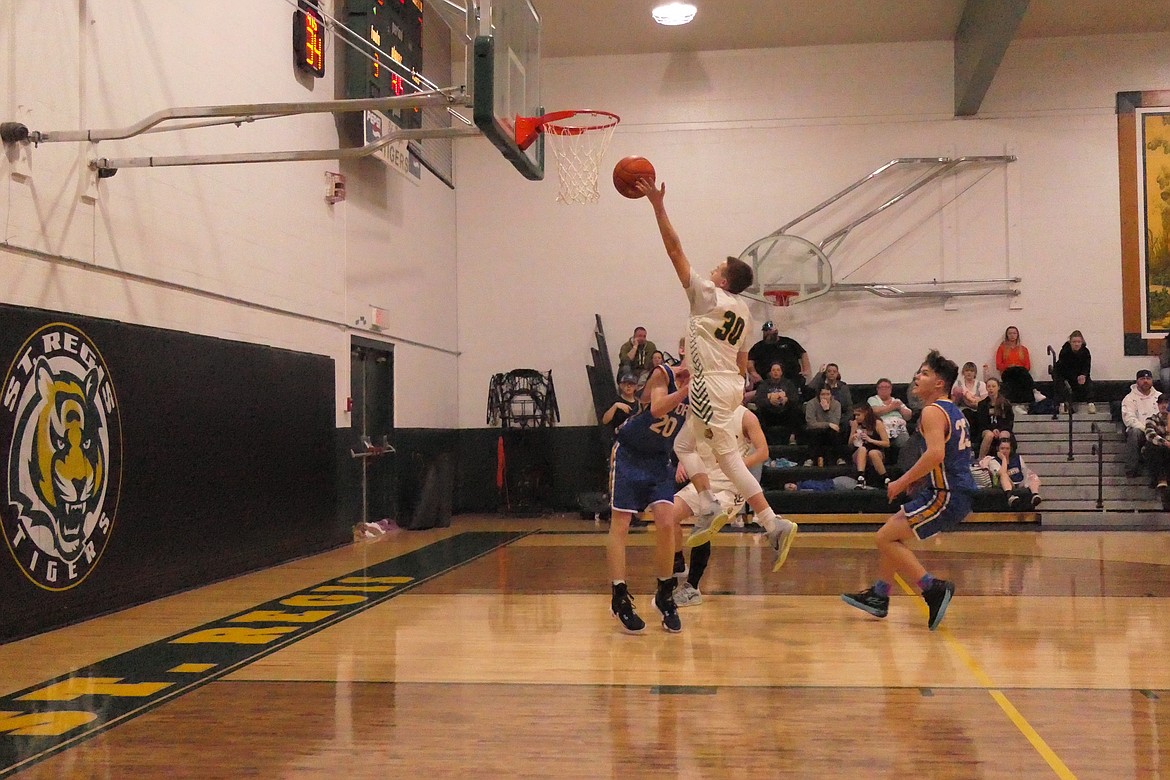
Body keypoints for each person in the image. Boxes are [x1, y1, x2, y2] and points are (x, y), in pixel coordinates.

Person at [636, 176, 798, 572]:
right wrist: (731, 389)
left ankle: (771, 522)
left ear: (723, 280)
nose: (712, 269)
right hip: (727, 384)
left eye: (718, 267)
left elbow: (675, 251)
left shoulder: (707, 295)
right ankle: (709, 504)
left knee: (726, 458)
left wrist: (657, 206)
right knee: (685, 447)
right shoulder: (745, 311)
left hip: (711, 386)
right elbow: (743, 361)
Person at [841, 350, 976, 631]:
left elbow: (936, 454)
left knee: (884, 539)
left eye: (925, 373)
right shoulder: (952, 410)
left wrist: (901, 482)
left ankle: (932, 588)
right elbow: (947, 455)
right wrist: (920, 480)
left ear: (939, 383)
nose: (917, 376)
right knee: (891, 534)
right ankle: (880, 594)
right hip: (949, 489)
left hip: (947, 493)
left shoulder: (932, 410)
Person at [607, 360, 690, 634]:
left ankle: (665, 593)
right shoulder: (663, 374)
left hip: (658, 460)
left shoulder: (701, 386)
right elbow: (656, 408)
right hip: (630, 454)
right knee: (621, 523)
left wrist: (685, 457)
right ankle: (619, 594)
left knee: (667, 521)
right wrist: (683, 391)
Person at [669, 404, 768, 607]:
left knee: (705, 524)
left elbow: (763, 451)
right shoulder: (700, 411)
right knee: (667, 516)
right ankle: (678, 562)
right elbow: (687, 443)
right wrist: (682, 462)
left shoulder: (745, 416)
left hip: (731, 486)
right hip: (704, 480)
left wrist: (737, 466)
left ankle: (692, 588)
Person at [749, 321, 810, 400]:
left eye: (769, 331)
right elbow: (750, 361)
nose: (767, 333)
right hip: (767, 384)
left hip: (791, 382)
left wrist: (806, 369)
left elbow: (803, 353)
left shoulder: (788, 342)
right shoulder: (758, 346)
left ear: (775, 331)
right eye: (765, 331)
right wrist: (753, 372)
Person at [982, 432, 1042, 509]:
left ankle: (1035, 495)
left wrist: (1029, 480)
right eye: (1002, 448)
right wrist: (1003, 459)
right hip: (1003, 484)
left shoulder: (1017, 458)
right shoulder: (993, 461)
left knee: (1032, 475)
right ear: (998, 449)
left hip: (1018, 482)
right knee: (1004, 475)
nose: (1005, 451)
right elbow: (1001, 473)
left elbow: (1025, 471)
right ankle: (1010, 496)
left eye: (1007, 449)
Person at [1121, 369, 1160, 478]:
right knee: (1134, 432)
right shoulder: (1129, 398)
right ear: (1137, 381)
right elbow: (1129, 419)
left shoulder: (1160, 397)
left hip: (1158, 430)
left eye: (1148, 379)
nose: (1146, 381)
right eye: (1142, 379)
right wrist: (1146, 429)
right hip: (1140, 431)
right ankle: (1131, 470)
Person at [754, 362, 803, 441]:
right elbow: (758, 400)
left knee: (797, 411)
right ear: (770, 372)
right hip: (769, 413)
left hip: (785, 412)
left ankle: (793, 437)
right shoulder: (763, 385)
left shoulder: (788, 384)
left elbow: (796, 399)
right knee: (758, 412)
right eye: (773, 370)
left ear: (781, 372)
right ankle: (762, 439)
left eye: (778, 370)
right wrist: (769, 401)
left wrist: (787, 400)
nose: (776, 372)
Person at [1052, 330, 1094, 413]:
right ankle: (1063, 405)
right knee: (1061, 382)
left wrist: (1083, 375)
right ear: (1070, 342)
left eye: (1079, 342)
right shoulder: (1064, 351)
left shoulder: (1085, 352)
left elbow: (1087, 366)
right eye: (1074, 342)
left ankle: (1091, 404)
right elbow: (1063, 368)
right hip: (1064, 374)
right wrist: (1076, 377)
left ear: (1082, 342)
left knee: (1089, 382)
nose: (1076, 344)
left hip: (1078, 374)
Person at [849, 403, 890, 487]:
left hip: (876, 451)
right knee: (862, 449)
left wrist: (870, 440)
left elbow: (886, 443)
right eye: (855, 415)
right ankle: (860, 477)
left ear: (866, 413)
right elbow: (849, 444)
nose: (856, 417)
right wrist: (853, 437)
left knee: (873, 453)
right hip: (860, 453)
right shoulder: (855, 423)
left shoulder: (877, 423)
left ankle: (885, 478)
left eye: (858, 415)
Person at [995, 326, 1037, 405]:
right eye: (1010, 333)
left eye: (1014, 333)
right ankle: (1034, 390)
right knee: (1014, 371)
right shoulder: (1002, 348)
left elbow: (1027, 366)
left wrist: (1017, 367)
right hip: (1008, 373)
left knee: (1020, 372)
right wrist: (1010, 366)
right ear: (1007, 335)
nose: (1012, 335)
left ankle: (1030, 396)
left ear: (1017, 335)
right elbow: (998, 365)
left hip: (1020, 373)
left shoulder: (1023, 349)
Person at [802, 386, 843, 467]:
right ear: (818, 395)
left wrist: (827, 410)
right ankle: (810, 459)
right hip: (815, 430)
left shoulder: (836, 404)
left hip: (830, 431)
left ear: (831, 395)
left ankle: (839, 458)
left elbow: (835, 423)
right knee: (815, 433)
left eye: (827, 394)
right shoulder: (811, 403)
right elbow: (811, 423)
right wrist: (828, 424)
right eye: (822, 394)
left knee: (835, 433)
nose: (825, 397)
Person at [974, 377, 1014, 458]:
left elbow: (1009, 421)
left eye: (993, 386)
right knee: (989, 435)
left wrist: (999, 429)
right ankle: (980, 459)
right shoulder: (982, 404)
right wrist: (992, 429)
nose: (991, 389)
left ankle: (1005, 461)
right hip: (986, 429)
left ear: (998, 387)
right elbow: (981, 422)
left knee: (1003, 434)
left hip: (1003, 428)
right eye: (989, 386)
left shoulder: (1005, 403)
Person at [868, 378, 912, 451]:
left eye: (887, 387)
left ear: (891, 389)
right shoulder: (873, 399)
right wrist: (893, 407)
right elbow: (875, 411)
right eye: (881, 387)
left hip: (899, 429)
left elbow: (908, 416)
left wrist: (900, 409)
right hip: (882, 429)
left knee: (906, 443)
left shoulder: (897, 401)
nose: (884, 389)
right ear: (877, 389)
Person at [1144, 393, 1170, 494]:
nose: (1164, 405)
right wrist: (1165, 443)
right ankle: (1160, 479)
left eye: (1166, 403)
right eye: (1161, 403)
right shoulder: (1152, 419)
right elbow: (1150, 435)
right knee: (1153, 446)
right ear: (1158, 405)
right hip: (1158, 449)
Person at [600, 372, 639, 438]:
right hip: (619, 439)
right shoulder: (614, 401)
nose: (628, 386)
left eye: (631, 384)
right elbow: (605, 421)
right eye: (625, 383)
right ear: (621, 385)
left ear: (636, 387)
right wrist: (615, 406)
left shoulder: (639, 404)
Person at [951, 362, 988, 428]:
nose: (969, 373)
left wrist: (973, 402)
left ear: (975, 373)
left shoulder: (981, 384)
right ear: (963, 372)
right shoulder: (957, 384)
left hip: (977, 410)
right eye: (967, 370)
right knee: (967, 413)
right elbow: (953, 402)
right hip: (962, 411)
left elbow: (985, 402)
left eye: (971, 371)